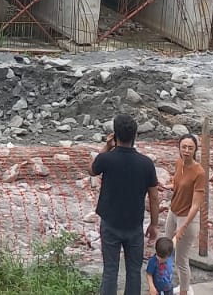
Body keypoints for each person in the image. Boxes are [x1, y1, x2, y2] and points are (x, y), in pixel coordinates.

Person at [90, 113, 162, 295]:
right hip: (134, 225)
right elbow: (154, 197)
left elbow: (91, 170)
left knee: (110, 270)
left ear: (115, 135)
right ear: (135, 136)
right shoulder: (146, 164)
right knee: (134, 271)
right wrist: (154, 223)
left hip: (110, 223)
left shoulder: (106, 159)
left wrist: (107, 146)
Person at [165, 134, 206, 295]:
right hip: (173, 212)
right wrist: (167, 186)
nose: (186, 151)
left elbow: (196, 204)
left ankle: (185, 290)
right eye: (184, 147)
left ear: (195, 149)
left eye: (190, 147)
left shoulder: (199, 172)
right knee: (166, 251)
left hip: (186, 217)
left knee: (181, 259)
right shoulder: (179, 163)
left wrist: (183, 227)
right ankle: (171, 285)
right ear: (179, 148)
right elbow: (179, 185)